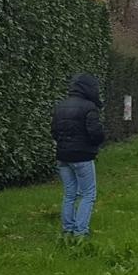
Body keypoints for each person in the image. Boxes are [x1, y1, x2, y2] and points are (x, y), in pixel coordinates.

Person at [51, 74, 105, 237]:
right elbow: (95, 132)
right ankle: (81, 232)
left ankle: (68, 229)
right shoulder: (89, 107)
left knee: (69, 193)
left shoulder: (60, 106)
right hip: (83, 156)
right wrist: (96, 143)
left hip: (63, 156)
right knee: (88, 194)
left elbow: (54, 131)